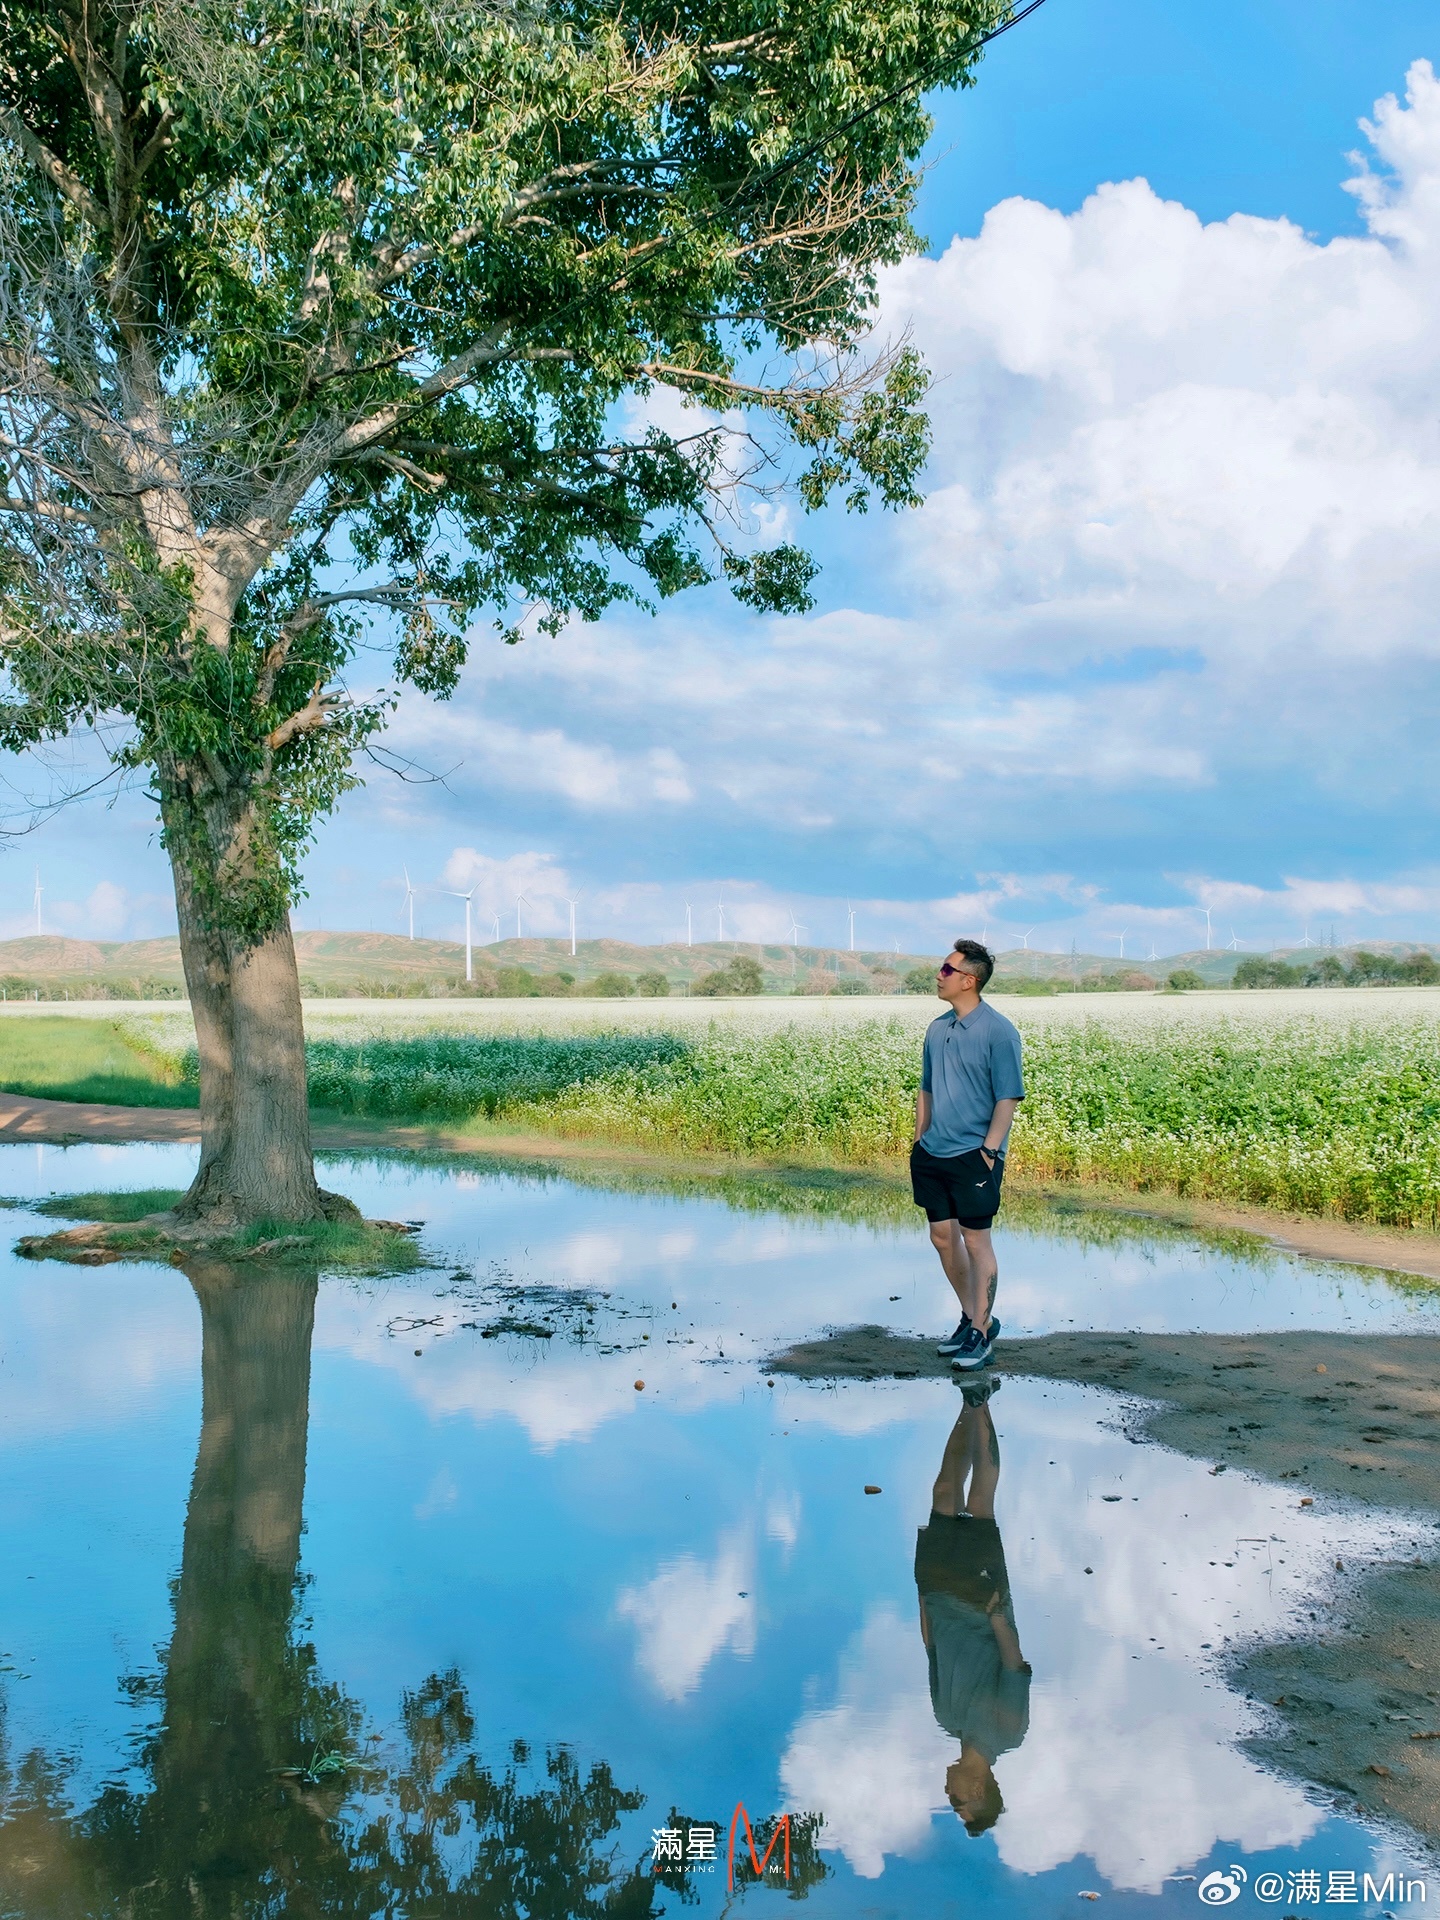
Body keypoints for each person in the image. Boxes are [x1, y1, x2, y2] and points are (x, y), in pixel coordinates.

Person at [914, 1378, 1031, 1838]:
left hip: (940, 1593)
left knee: (945, 1491)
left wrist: (922, 1595)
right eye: (956, 1800)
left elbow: (932, 1650)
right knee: (980, 1504)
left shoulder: (946, 1719)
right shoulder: (1008, 1732)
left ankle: (969, 1402)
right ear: (978, 1791)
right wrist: (997, 1612)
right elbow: (1014, 1667)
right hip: (983, 1603)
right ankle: (980, 1408)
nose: (950, 1792)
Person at [910, 938, 1024, 1370]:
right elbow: (926, 1087)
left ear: (968, 980)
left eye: (946, 969)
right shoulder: (937, 1028)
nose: (938, 976)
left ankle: (981, 1330)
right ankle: (973, 1318)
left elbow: (1008, 1097)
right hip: (932, 1153)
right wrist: (919, 1139)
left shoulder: (999, 1031)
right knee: (942, 1238)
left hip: (975, 1156)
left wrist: (990, 1152)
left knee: (976, 1240)